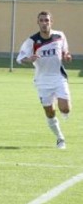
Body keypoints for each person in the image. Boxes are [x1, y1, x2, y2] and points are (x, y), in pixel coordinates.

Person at [16, 11, 72, 149]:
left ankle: (62, 106)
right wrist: (28, 59)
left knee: (65, 109)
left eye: (47, 20)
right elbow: (19, 59)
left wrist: (67, 56)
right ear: (38, 22)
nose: (44, 23)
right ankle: (60, 138)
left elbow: (65, 51)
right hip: (42, 81)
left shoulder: (60, 36)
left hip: (58, 78)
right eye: (41, 20)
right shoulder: (32, 41)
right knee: (50, 112)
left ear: (51, 22)